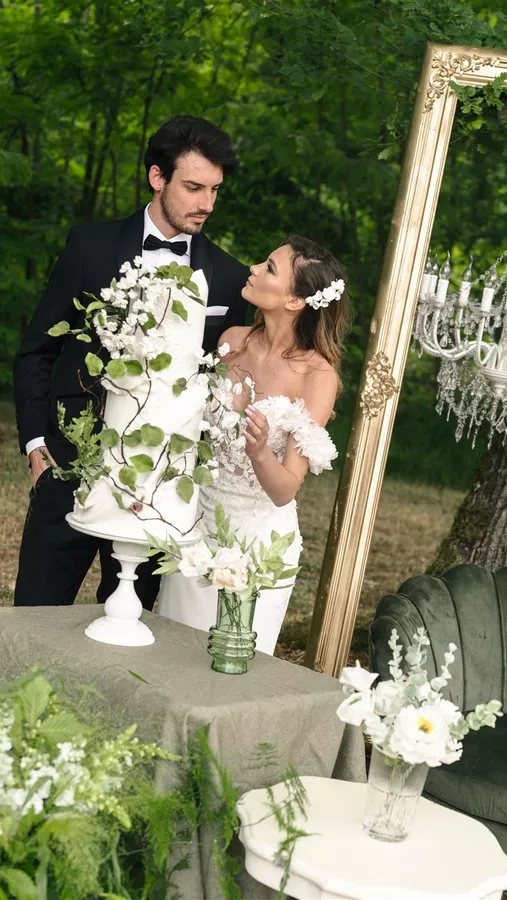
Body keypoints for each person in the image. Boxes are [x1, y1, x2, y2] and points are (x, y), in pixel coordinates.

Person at [13, 115, 248, 608]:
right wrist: (37, 445)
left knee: (130, 625)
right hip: (72, 459)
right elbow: (39, 349)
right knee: (36, 609)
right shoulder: (89, 247)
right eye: (193, 187)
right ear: (157, 177)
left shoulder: (229, 277)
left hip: (160, 481)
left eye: (215, 190)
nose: (206, 203)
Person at [156, 235, 350, 655]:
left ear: (296, 301)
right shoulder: (232, 340)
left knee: (230, 671)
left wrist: (260, 450)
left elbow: (285, 490)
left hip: (258, 546)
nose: (254, 269)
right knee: (172, 655)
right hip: (197, 524)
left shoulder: (316, 377)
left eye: (269, 268)